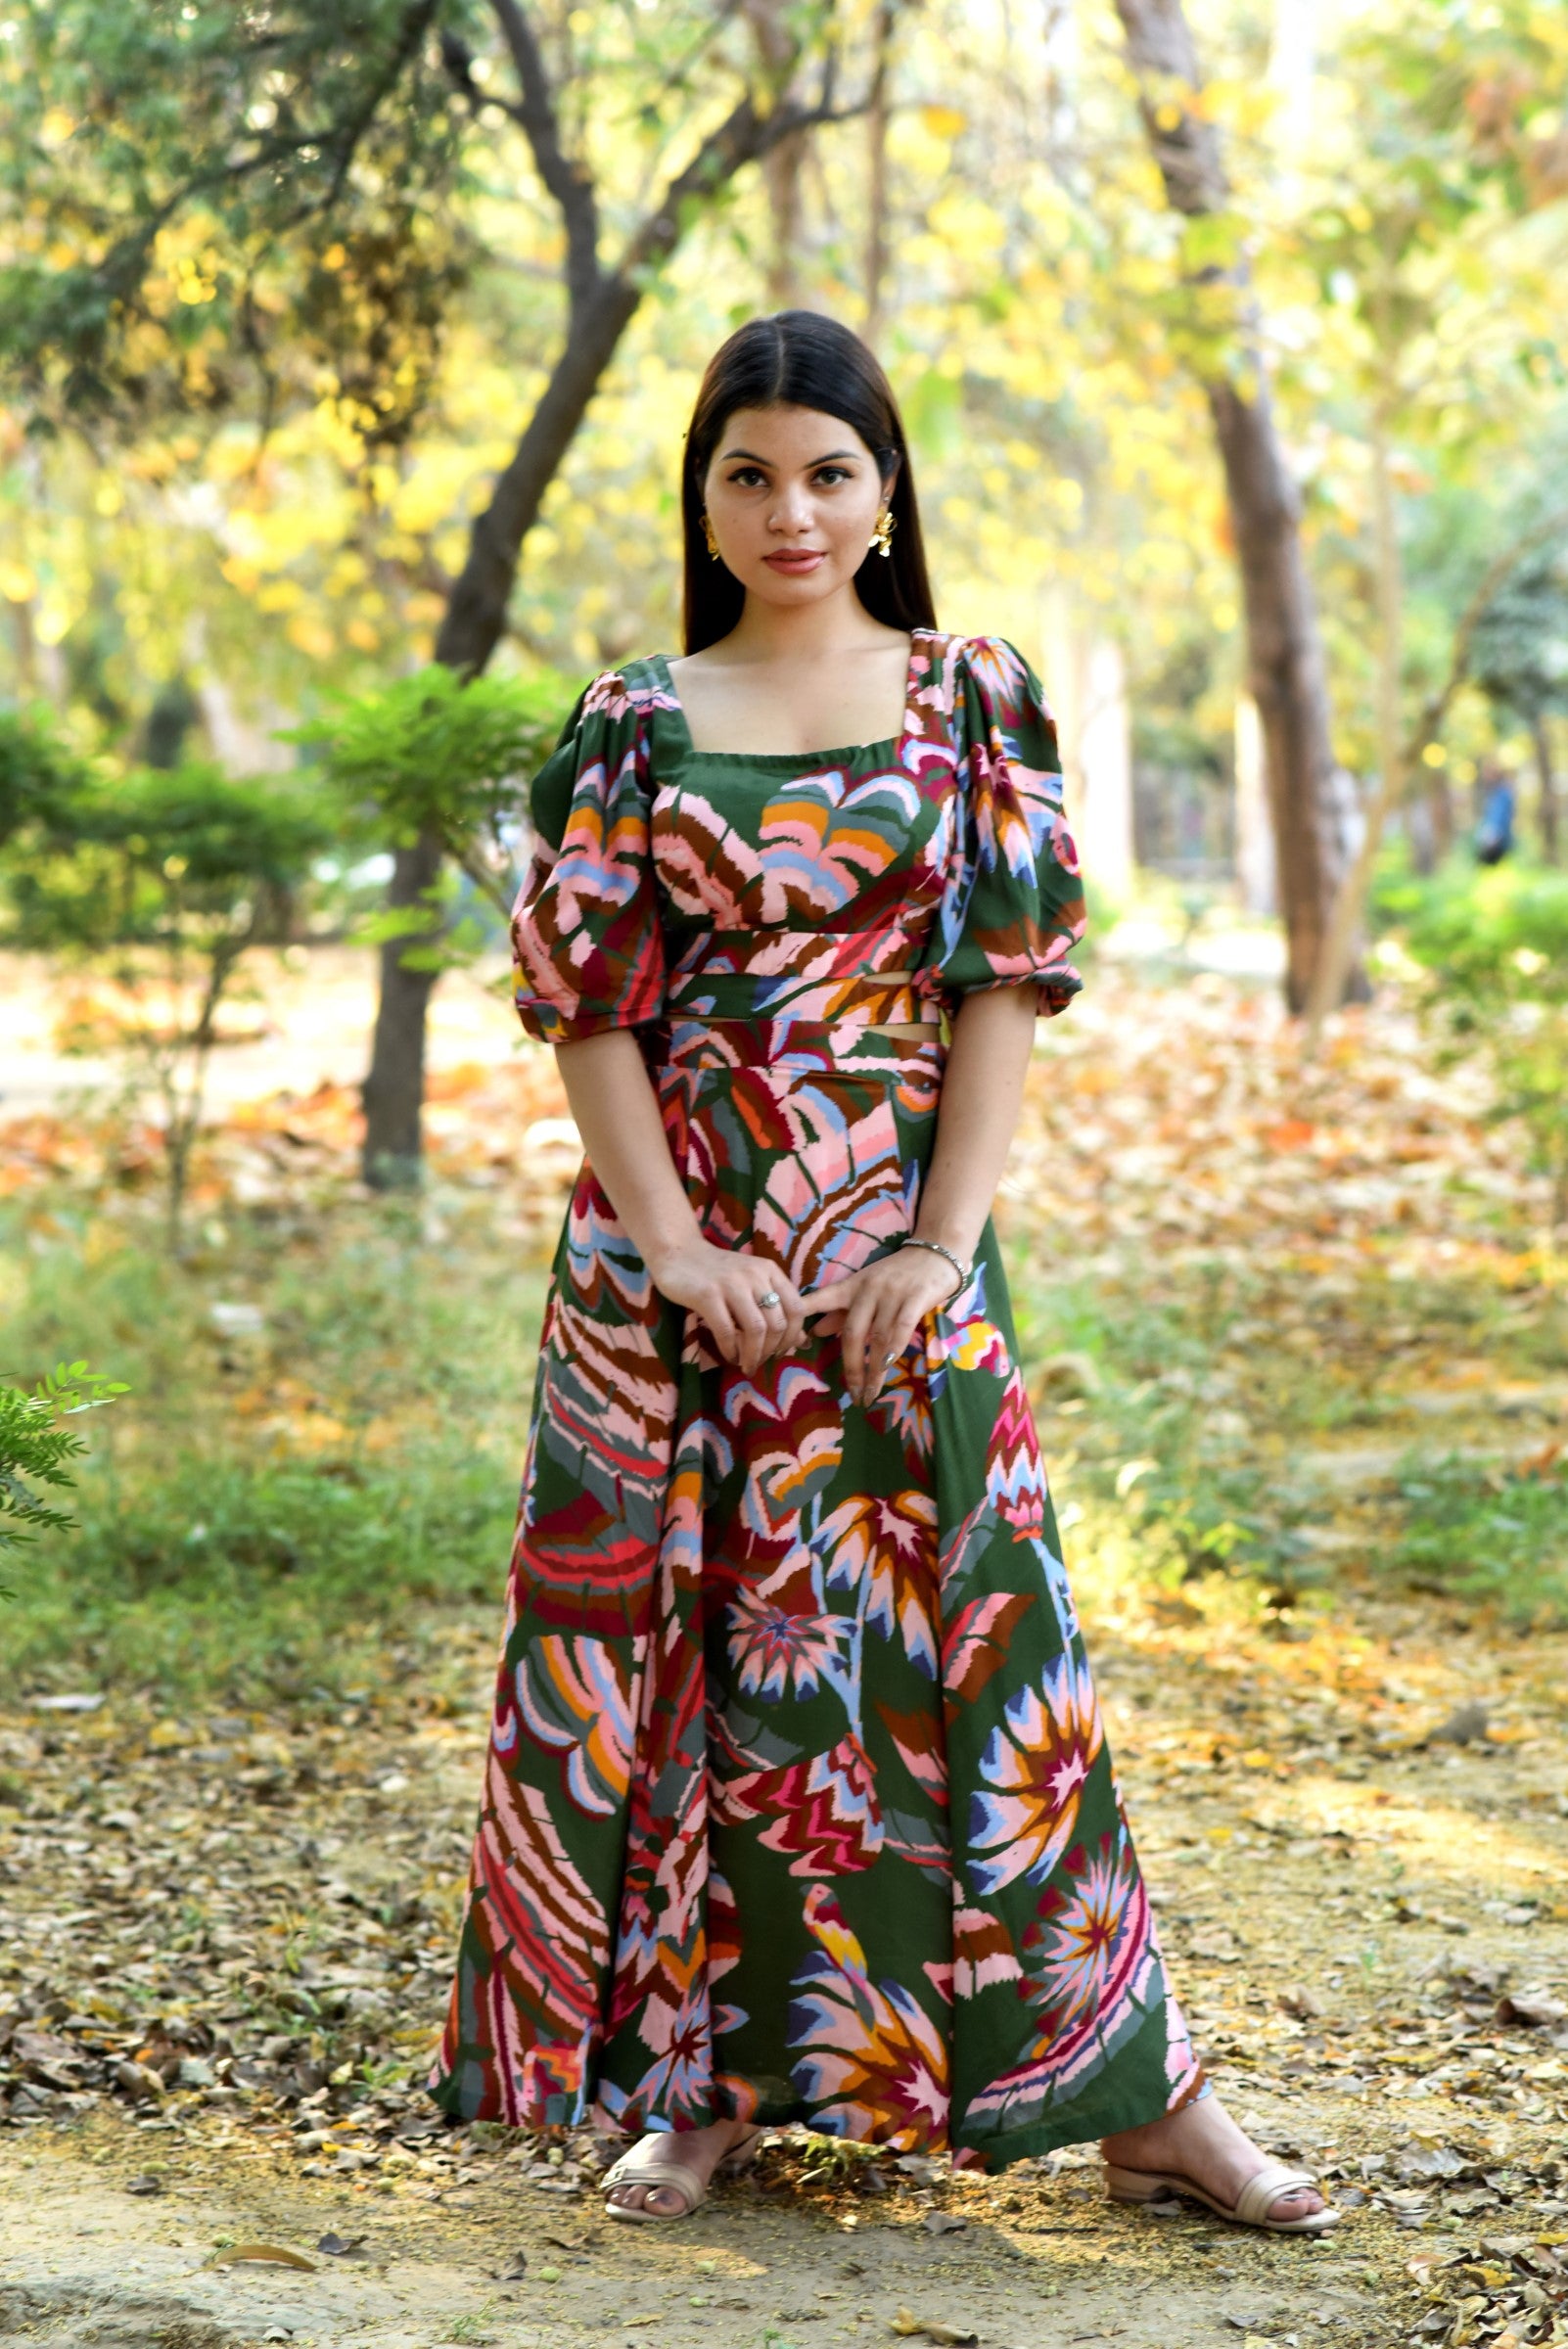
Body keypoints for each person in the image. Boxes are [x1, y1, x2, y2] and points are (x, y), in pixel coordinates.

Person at [429, 311, 1338, 2240]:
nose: (791, 511)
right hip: (680, 1266)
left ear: (887, 490)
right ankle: (705, 2093)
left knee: (989, 1657)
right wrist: (678, 1248)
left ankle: (1146, 2099)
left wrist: (935, 1240)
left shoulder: (972, 698)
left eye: (828, 472)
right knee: (703, 1658)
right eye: (748, 474)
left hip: (903, 1255)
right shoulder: (631, 721)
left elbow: (1003, 984)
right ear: (702, 499)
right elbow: (591, 1011)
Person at [1474, 759, 1516, 865]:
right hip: (1497, 839)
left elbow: (1499, 817)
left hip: (1498, 841)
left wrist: (1491, 836)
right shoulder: (1495, 793)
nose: (1485, 778)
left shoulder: (1502, 794)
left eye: (1488, 775)